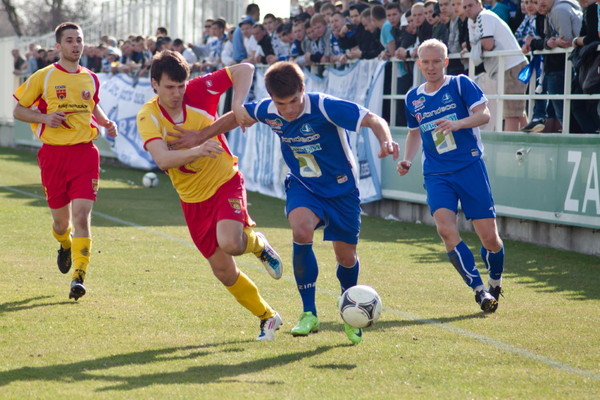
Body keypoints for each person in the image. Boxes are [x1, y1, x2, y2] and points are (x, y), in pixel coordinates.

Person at [168, 61, 400, 344]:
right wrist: (200, 135)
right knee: (301, 231)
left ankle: (349, 310)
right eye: (281, 104)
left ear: (303, 90)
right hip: (304, 185)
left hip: (342, 190)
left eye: (294, 101)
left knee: (346, 257)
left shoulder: (324, 106)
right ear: (272, 99)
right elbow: (237, 116)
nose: (288, 110)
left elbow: (373, 119)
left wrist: (386, 141)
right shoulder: (268, 109)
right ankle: (308, 313)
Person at [135, 50, 283, 341]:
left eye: (181, 86)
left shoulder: (199, 90)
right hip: (192, 199)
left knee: (231, 243)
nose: (177, 93)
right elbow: (163, 160)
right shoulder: (148, 115)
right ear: (154, 84)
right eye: (169, 87)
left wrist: (237, 104)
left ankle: (257, 244)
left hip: (225, 181)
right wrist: (199, 149)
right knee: (224, 272)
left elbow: (245, 68)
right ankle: (268, 317)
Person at [12, 22, 118, 300]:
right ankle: (65, 243)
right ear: (58, 46)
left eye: (79, 40)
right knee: (61, 224)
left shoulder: (91, 77)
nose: (76, 45)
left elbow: (92, 103)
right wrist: (45, 118)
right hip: (53, 156)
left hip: (85, 154)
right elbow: (19, 111)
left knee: (82, 216)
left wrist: (106, 122)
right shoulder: (44, 76)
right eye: (69, 40)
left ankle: (78, 278)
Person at [397, 39, 504, 313]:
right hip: (436, 173)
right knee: (445, 230)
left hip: (469, 167)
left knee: (490, 239)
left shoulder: (459, 84)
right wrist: (407, 159)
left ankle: (494, 282)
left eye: (436, 61)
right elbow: (414, 133)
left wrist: (458, 124)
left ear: (445, 62)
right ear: (419, 64)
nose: (431, 67)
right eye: (426, 62)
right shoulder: (412, 98)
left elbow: (484, 115)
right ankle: (479, 290)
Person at [463, 0, 529, 132]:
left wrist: (476, 46)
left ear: (479, 4)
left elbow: (488, 44)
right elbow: (473, 45)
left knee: (511, 113)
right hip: (511, 65)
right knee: (517, 111)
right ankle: (529, 142)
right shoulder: (472, 20)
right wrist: (476, 46)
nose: (467, 9)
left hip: (512, 65)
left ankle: (510, 144)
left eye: (470, 5)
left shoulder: (484, 16)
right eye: (465, 7)